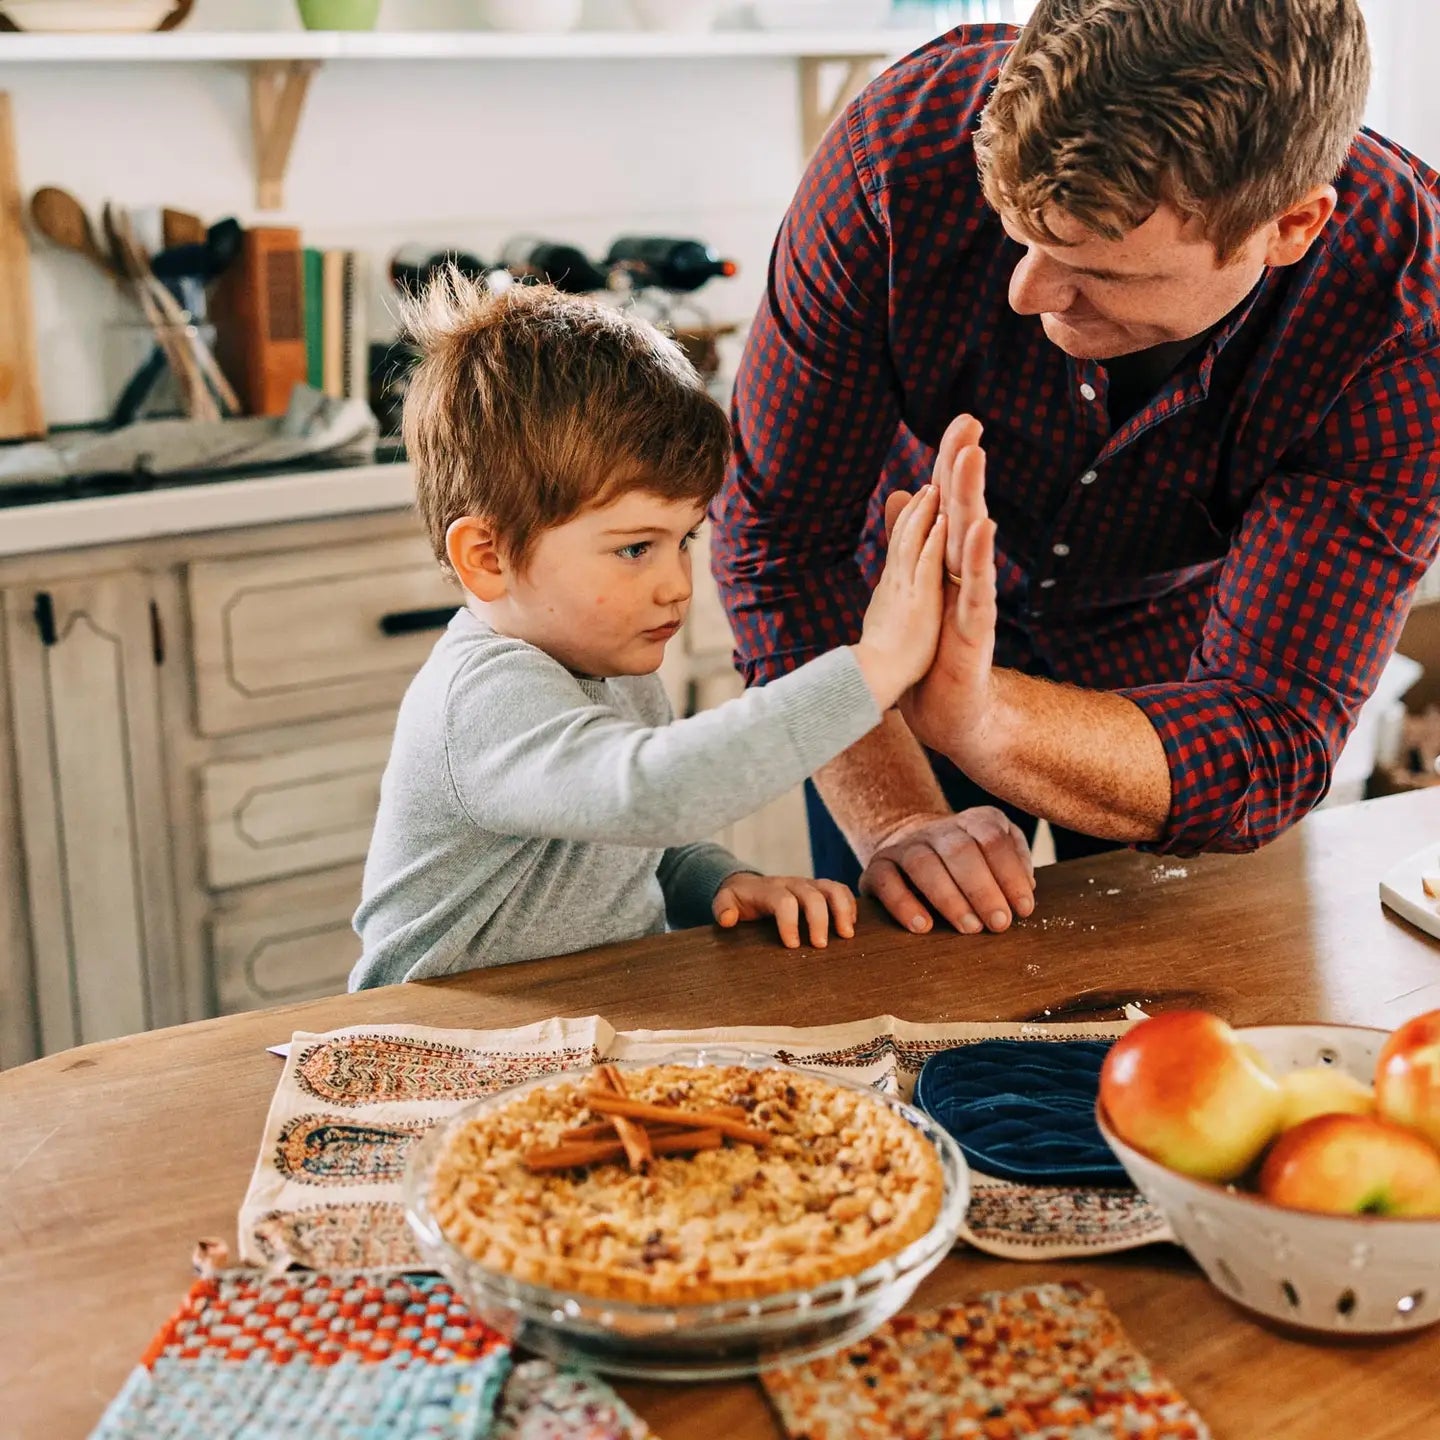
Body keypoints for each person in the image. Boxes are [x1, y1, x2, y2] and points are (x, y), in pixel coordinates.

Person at [713, 0, 1440, 939]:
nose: (1029, 291)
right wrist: (898, 814)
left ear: (1290, 226)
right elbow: (779, 545)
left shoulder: (1405, 312)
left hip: (1174, 684)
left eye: (1104, 271)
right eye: (1018, 232)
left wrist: (980, 718)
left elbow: (1271, 726)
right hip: (875, 662)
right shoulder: (899, 153)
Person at [350, 278, 1034, 989]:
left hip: (562, 1033)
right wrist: (877, 665)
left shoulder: (616, 675)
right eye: (635, 548)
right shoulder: (484, 696)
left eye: (686, 539)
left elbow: (639, 846)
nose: (678, 582)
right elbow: (651, 794)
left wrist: (719, 883)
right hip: (431, 1053)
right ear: (486, 558)